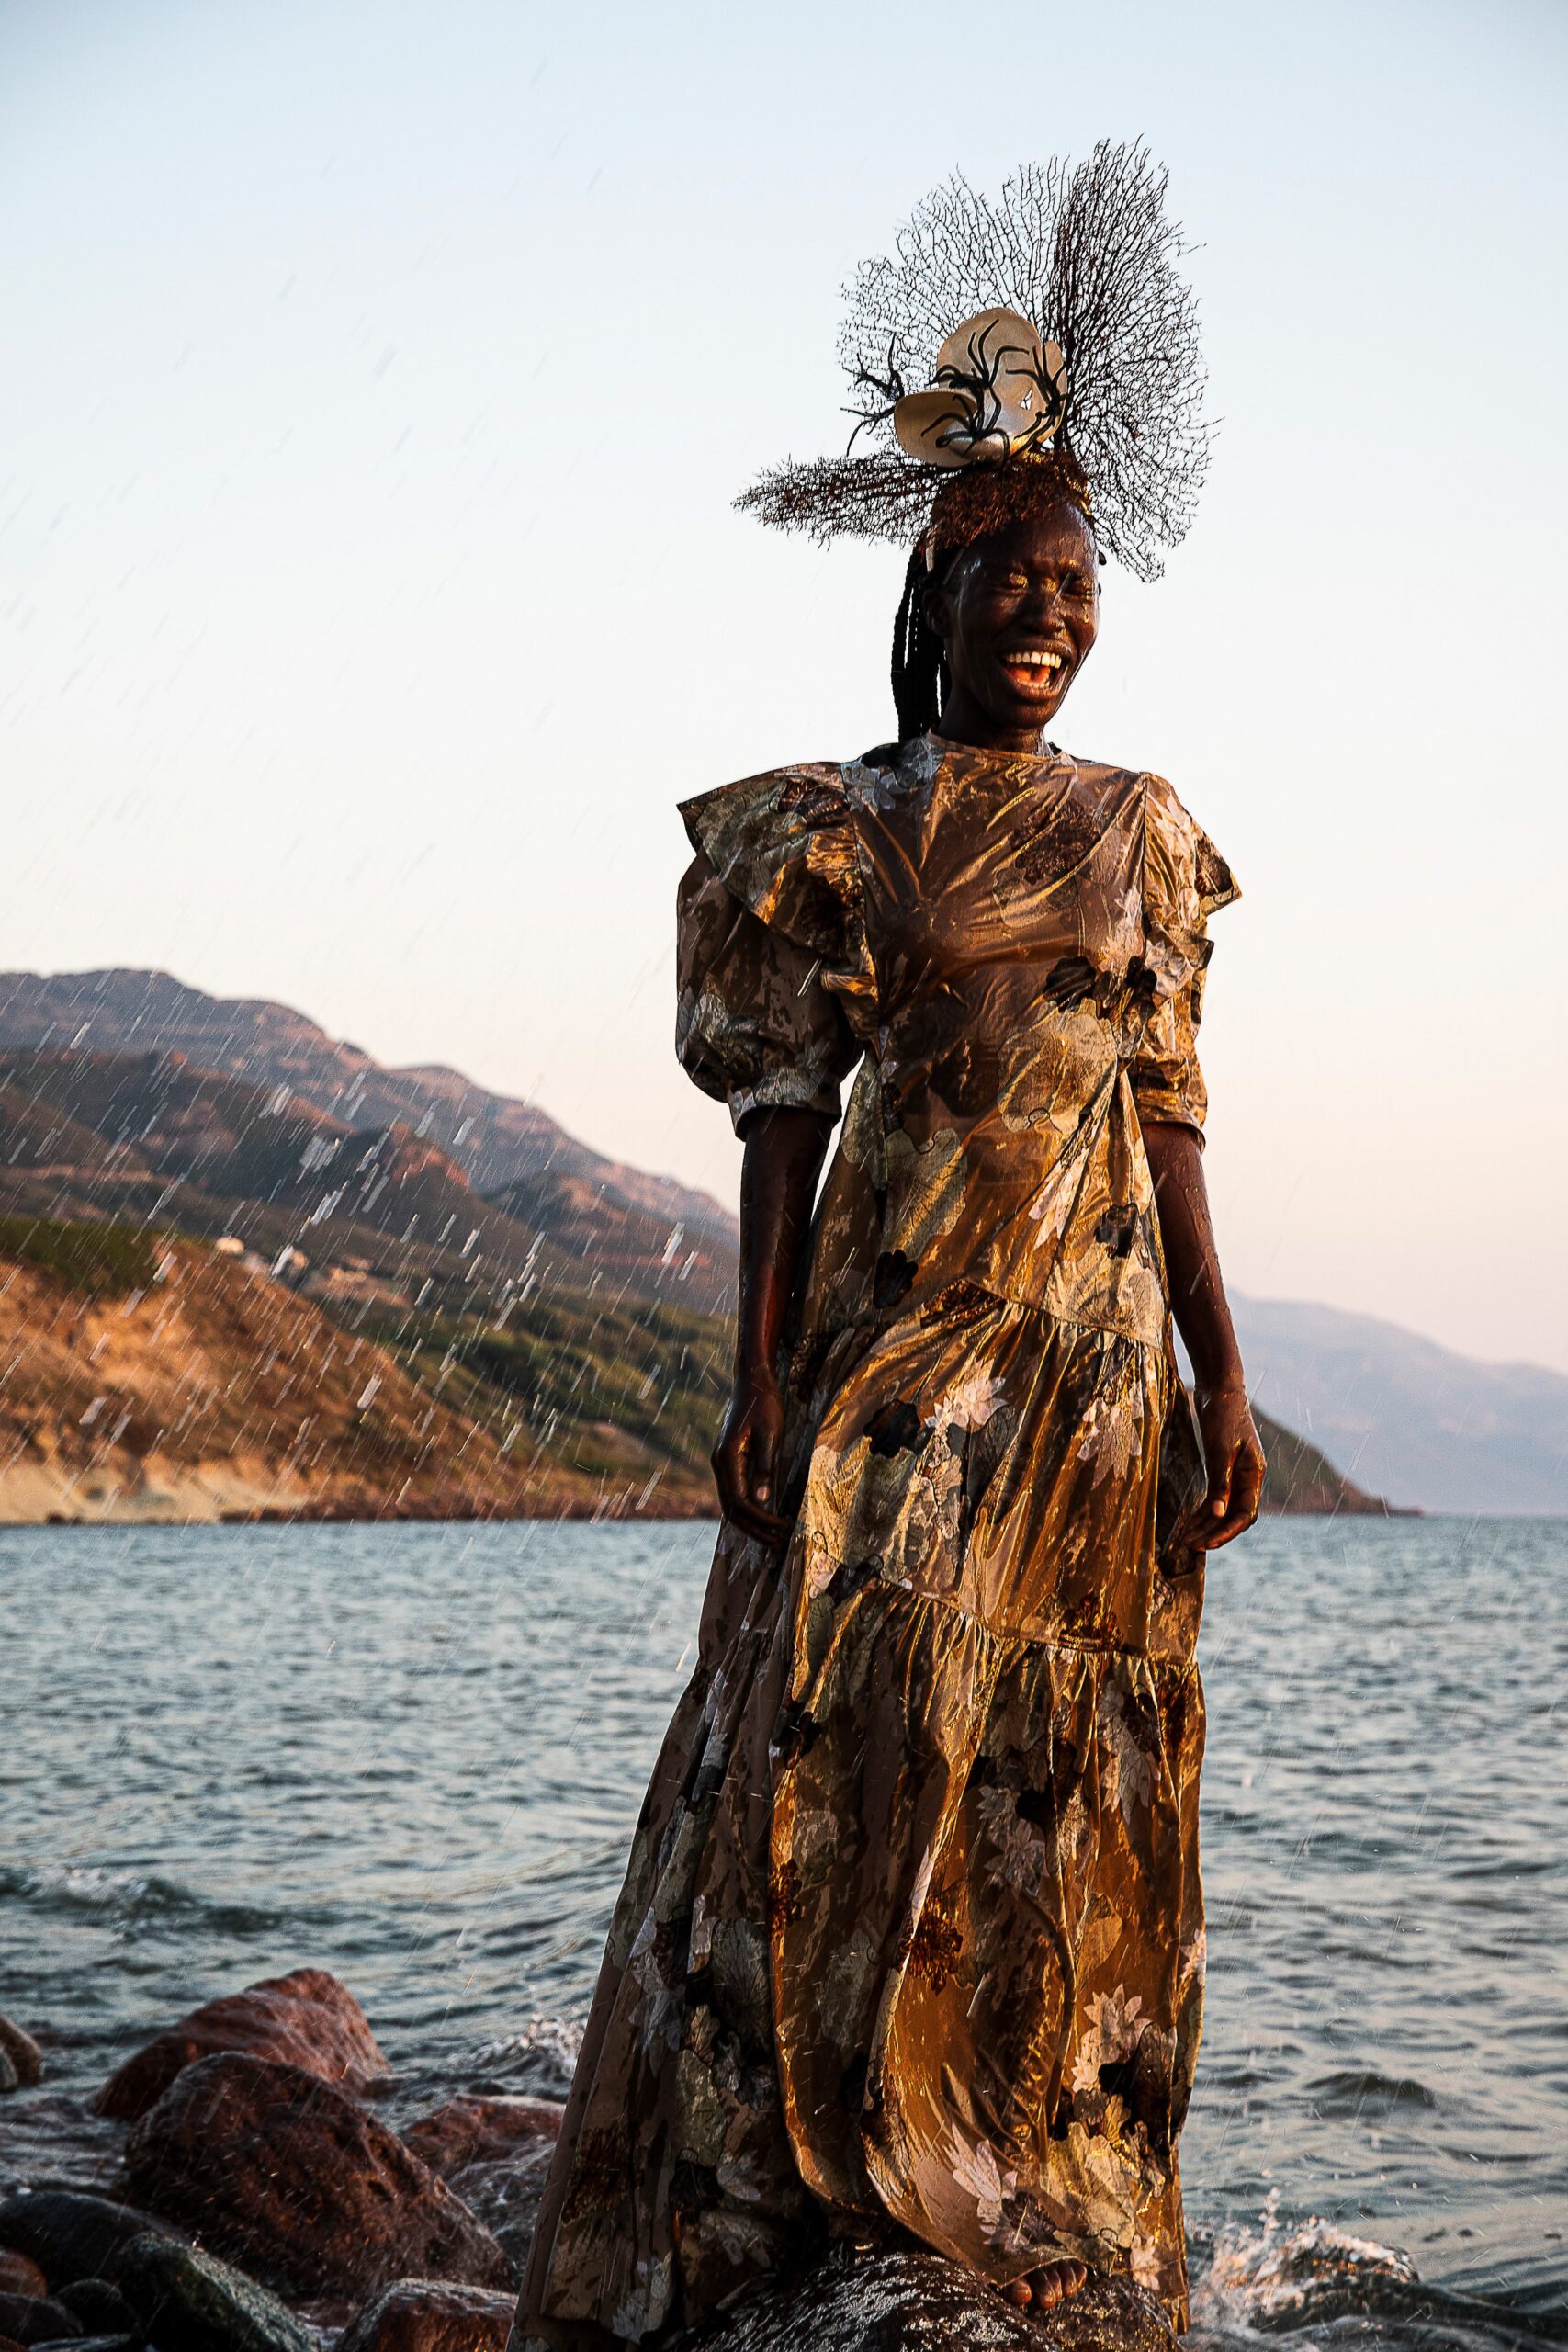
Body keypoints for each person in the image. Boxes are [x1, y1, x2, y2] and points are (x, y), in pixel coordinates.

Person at [516, 142, 1265, 2349]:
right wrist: (750, 1378)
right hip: (896, 1339)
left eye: (1075, 580)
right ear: (926, 603)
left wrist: (1227, 1377)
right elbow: (779, 1120)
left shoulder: (1140, 835)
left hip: (1094, 1368)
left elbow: (1172, 1113)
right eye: (1007, 581)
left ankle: (1043, 2167)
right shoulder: (833, 834)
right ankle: (797, 2178)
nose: (1048, 610)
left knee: (1066, 1759)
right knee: (846, 1711)